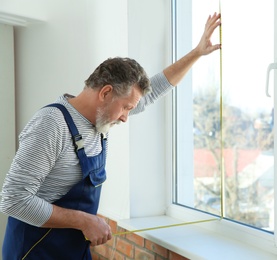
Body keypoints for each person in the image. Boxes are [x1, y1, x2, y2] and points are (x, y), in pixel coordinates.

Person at [0, 13, 221, 260]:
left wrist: (197, 52)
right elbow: (13, 199)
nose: (127, 117)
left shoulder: (102, 118)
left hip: (72, 249)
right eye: (126, 107)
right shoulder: (52, 125)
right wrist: (84, 221)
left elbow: (155, 89)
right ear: (105, 93)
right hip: (33, 251)